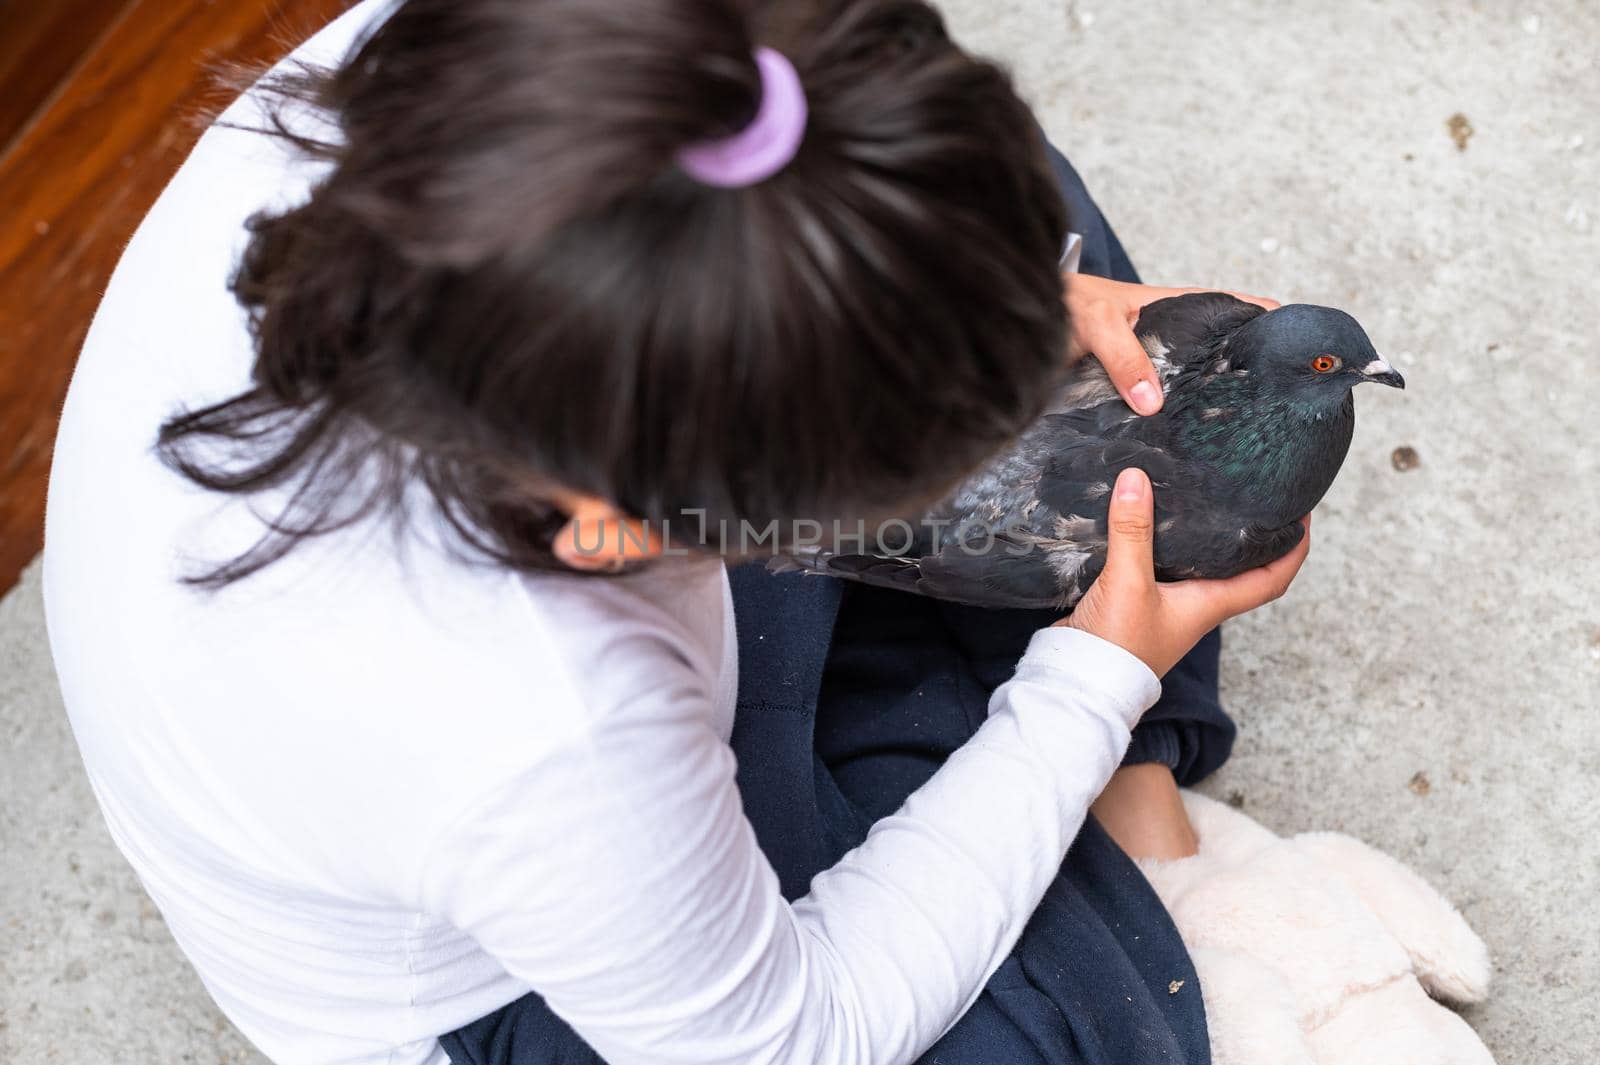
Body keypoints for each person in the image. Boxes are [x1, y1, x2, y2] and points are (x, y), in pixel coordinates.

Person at [42, 2, 1306, 1064]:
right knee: (1068, 1034)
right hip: (509, 969)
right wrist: (1088, 689)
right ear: (625, 524)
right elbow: (798, 1036)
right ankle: (1094, 741)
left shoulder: (544, 65)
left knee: (951, 167)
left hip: (588, 564)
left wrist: (1018, 290)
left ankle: (1073, 754)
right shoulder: (538, 733)